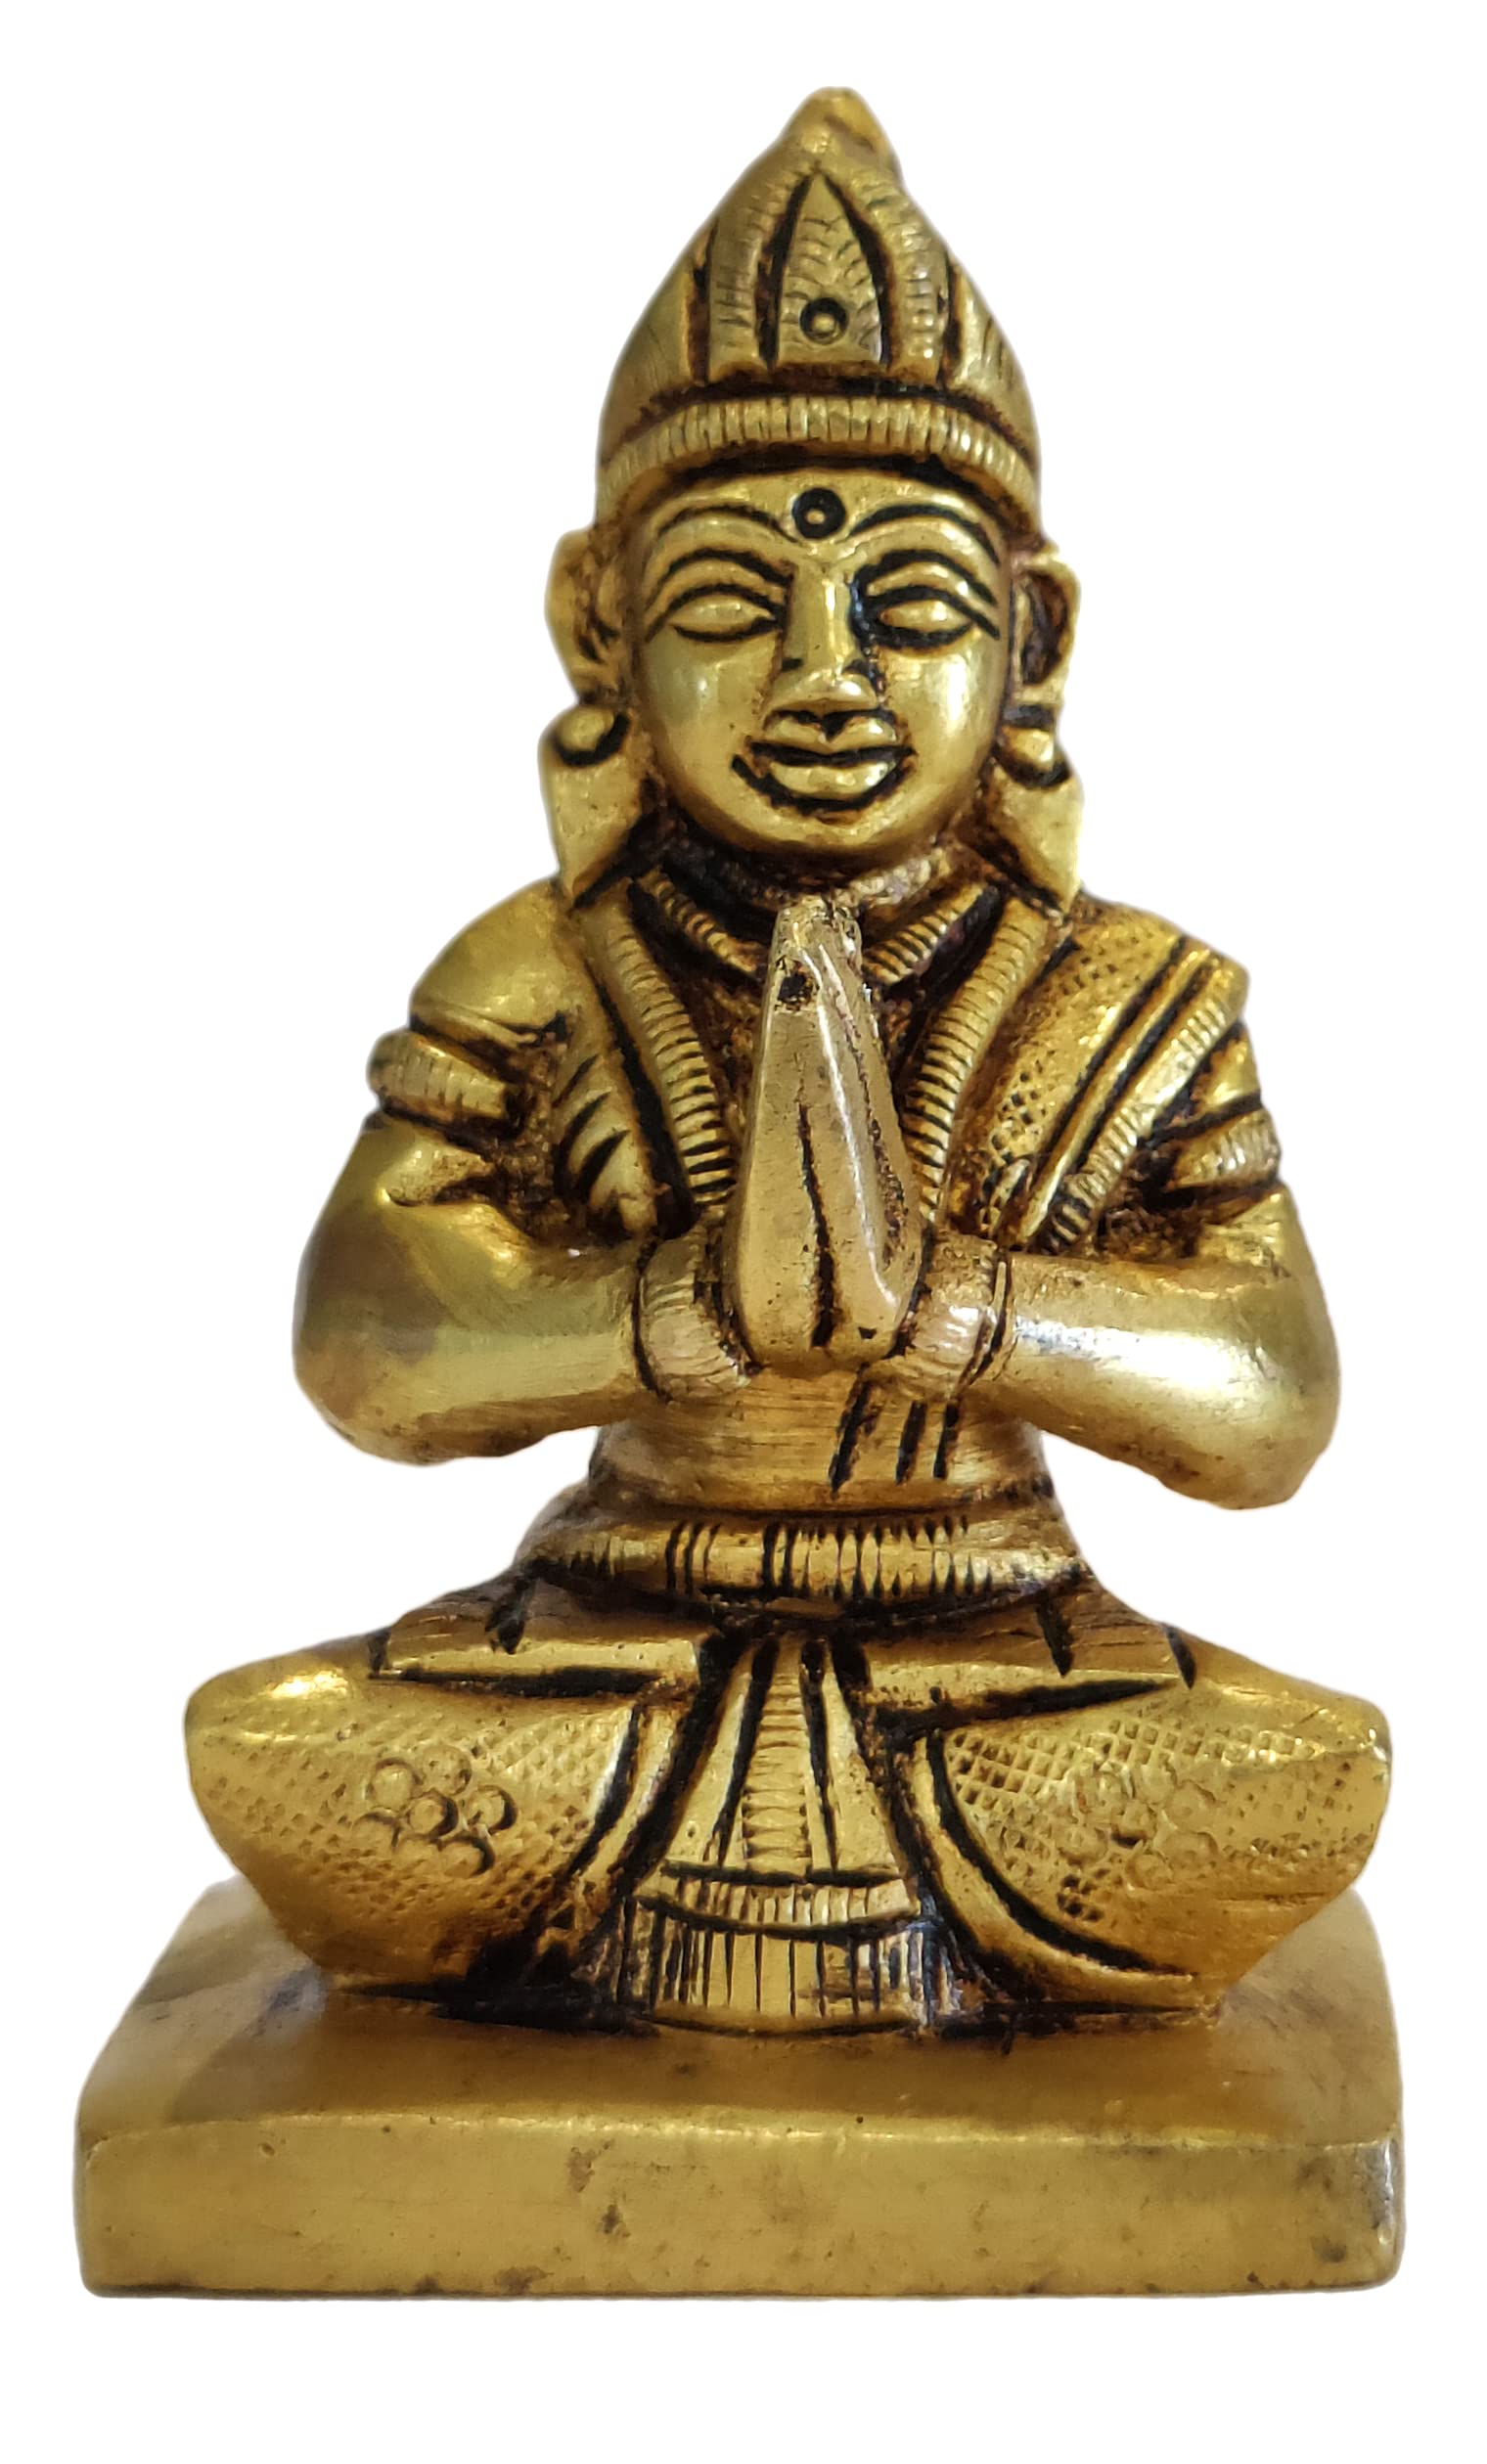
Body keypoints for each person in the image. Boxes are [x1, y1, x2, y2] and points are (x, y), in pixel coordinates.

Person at [189, 92, 1386, 2033]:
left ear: (1034, 639)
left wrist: (957, 1310)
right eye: (734, 604)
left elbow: (1270, 1397)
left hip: (992, 1639)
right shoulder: (541, 968)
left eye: (907, 607)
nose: (823, 674)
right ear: (599, 628)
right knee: (285, 1745)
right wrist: (674, 1317)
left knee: (1295, 1773)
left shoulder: (1139, 997)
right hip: (613, 1637)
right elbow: (366, 1340)